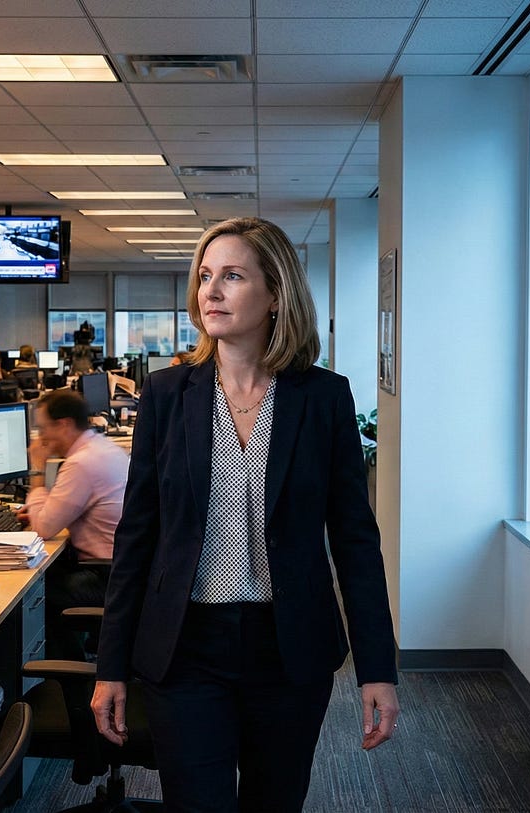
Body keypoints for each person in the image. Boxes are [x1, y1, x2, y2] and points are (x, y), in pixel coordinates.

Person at [92, 217, 399, 811]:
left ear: (277, 292)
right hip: (185, 647)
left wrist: (376, 668)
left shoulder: (323, 398)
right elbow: (137, 539)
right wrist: (110, 667)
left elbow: (357, 543)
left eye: (232, 276)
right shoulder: (165, 395)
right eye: (205, 277)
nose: (210, 291)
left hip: (287, 648)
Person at [15, 389, 128, 660]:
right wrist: (40, 505)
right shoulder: (101, 447)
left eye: (43, 428)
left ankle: (71, 685)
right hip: (123, 569)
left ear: (63, 424)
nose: (40, 437)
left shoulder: (81, 463)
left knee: (33, 594)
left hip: (106, 576)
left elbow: (43, 529)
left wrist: (38, 469)